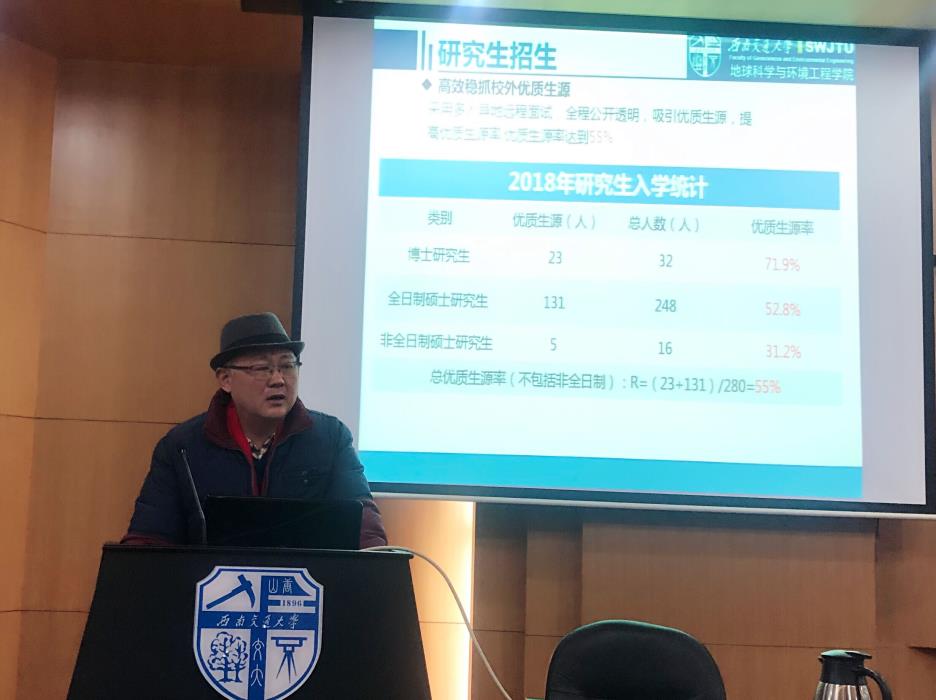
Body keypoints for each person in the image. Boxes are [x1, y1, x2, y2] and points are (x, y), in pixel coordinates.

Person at [122, 312, 387, 548]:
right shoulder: (183, 447)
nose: (278, 380)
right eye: (261, 369)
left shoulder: (330, 438)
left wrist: (375, 563)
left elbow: (363, 525)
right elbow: (149, 537)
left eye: (287, 366)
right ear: (226, 379)